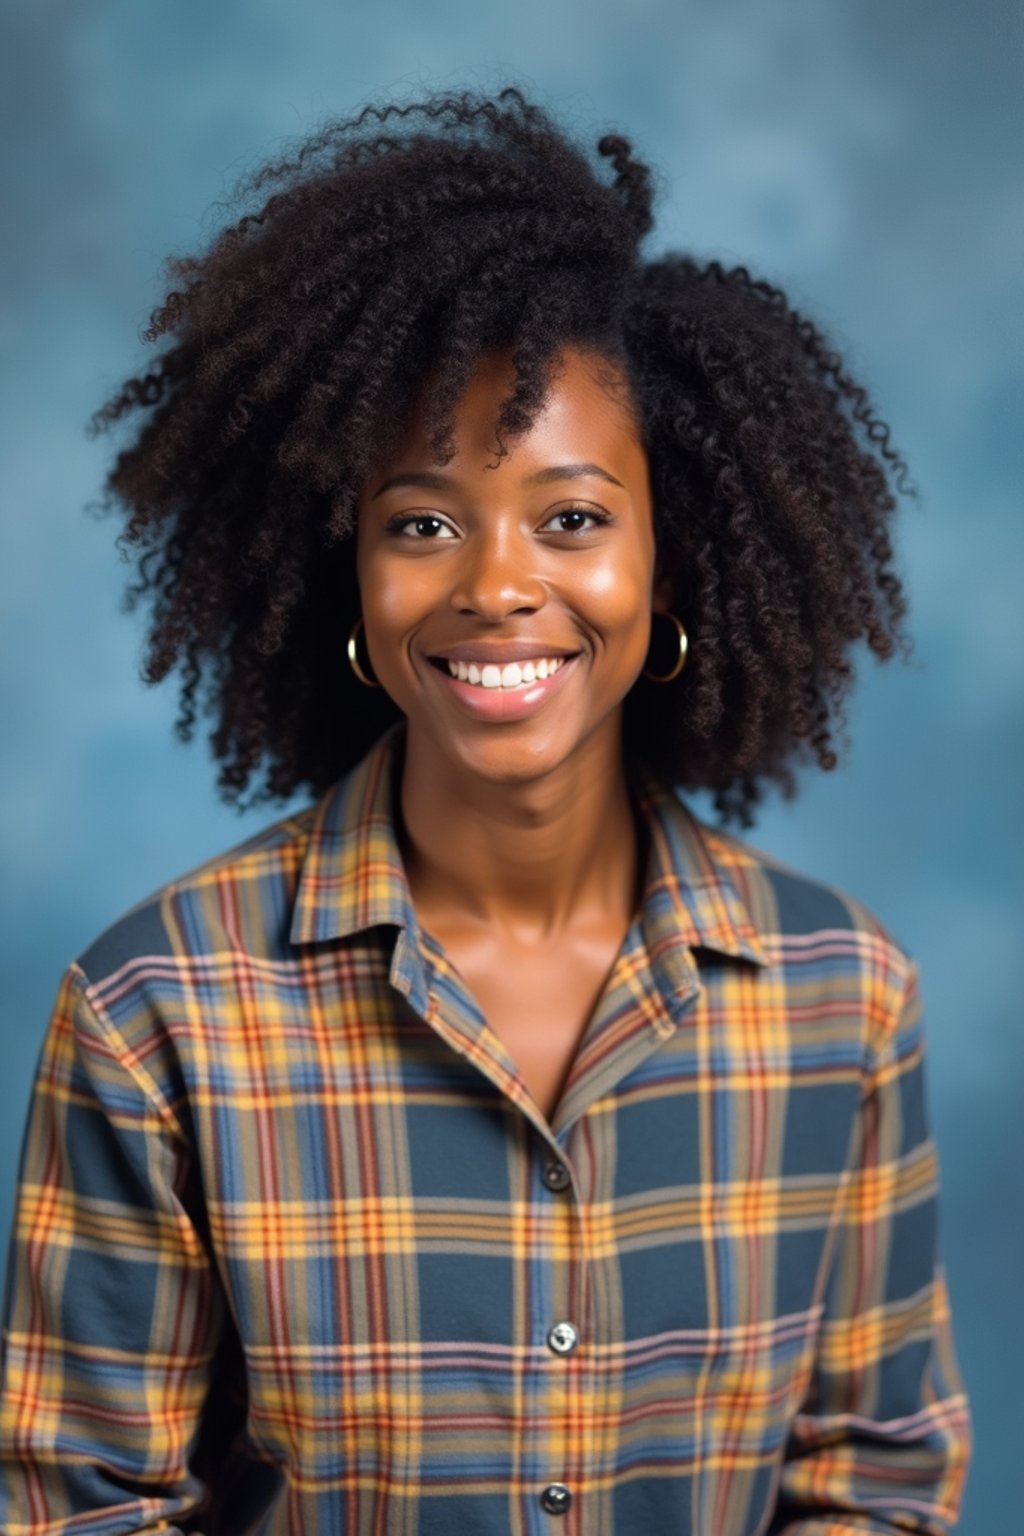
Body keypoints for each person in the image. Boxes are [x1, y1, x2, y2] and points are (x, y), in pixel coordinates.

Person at [0, 85, 972, 1533]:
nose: (496, 585)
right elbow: (79, 1509)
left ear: (674, 554)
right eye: (423, 522)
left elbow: (875, 1483)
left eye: (572, 518)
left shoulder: (840, 1001)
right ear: (348, 571)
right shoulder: (158, 1016)